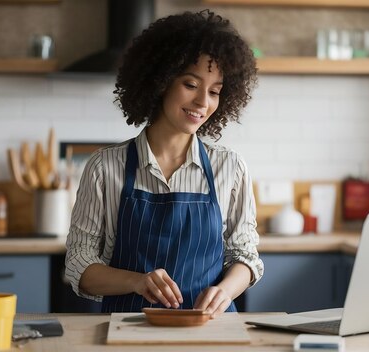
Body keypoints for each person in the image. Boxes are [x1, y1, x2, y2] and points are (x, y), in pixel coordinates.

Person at [65, 9, 263, 317]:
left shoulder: (230, 167)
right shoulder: (105, 168)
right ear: (160, 81)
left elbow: (246, 256)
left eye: (214, 92)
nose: (202, 103)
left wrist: (225, 291)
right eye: (190, 84)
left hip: (211, 332)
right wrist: (137, 282)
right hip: (129, 330)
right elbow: (79, 265)